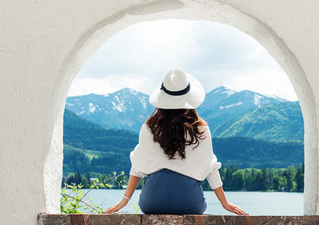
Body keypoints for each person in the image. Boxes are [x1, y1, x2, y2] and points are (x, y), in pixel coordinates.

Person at [104, 69, 248, 216]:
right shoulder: (200, 128)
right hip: (188, 202)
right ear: (189, 98)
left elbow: (137, 166)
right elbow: (211, 167)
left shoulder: (149, 127)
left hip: (152, 202)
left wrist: (125, 200)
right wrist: (225, 203)